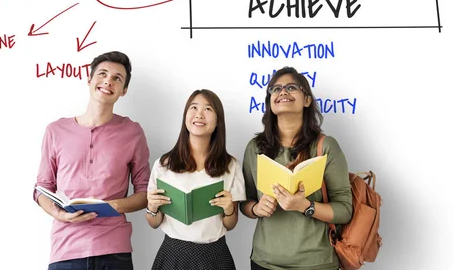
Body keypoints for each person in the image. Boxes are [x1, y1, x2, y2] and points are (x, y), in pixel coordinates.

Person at [34, 51, 150, 270]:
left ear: (123, 91)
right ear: (89, 80)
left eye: (118, 78)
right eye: (103, 74)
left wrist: (114, 205)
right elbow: (42, 188)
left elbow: (145, 193)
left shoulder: (133, 132)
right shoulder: (56, 131)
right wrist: (58, 213)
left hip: (114, 251)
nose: (108, 81)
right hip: (65, 250)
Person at [241, 67, 353, 270]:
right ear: (270, 101)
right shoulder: (255, 148)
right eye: (275, 89)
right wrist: (256, 208)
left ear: (307, 100)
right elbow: (244, 203)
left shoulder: (325, 146)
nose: (282, 92)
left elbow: (345, 210)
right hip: (264, 261)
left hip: (316, 263)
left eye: (291, 87)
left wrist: (305, 206)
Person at [146, 89, 245, 270]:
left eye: (208, 109)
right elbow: (154, 223)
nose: (199, 114)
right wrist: (152, 208)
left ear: (218, 122)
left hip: (215, 255)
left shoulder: (231, 165)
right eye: (193, 107)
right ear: (185, 117)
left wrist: (230, 209)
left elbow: (230, 224)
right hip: (172, 254)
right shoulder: (164, 164)